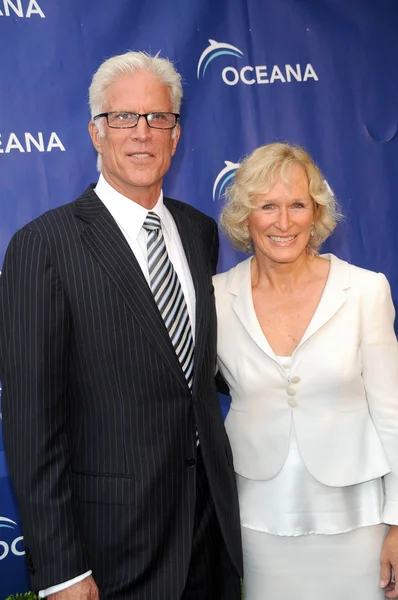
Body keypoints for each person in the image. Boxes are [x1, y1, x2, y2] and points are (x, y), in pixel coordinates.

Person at [0, 51, 242, 600]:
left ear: (176, 134)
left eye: (158, 118)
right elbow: (31, 423)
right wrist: (63, 569)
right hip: (112, 552)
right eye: (123, 118)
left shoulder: (200, 232)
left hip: (211, 534)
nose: (142, 133)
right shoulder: (43, 246)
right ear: (95, 132)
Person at [213, 141, 398, 600]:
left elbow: (393, 414)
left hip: (358, 519)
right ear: (244, 215)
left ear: (316, 213)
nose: (283, 221)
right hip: (259, 519)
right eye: (267, 206)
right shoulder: (214, 298)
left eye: (298, 205)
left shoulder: (363, 290)